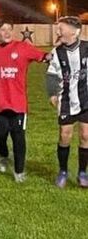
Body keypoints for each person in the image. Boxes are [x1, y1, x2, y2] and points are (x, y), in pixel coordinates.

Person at [0, 18, 50, 182]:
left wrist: (57, 53)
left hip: (18, 103)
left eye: (9, 29)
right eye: (2, 30)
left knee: (18, 136)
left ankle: (19, 172)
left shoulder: (23, 47)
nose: (6, 33)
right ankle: (3, 155)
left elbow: (44, 57)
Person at [46, 16, 88, 188]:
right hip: (66, 101)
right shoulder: (57, 52)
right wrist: (52, 94)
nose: (58, 32)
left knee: (86, 135)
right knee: (65, 136)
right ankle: (63, 171)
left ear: (74, 31)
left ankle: (82, 172)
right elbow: (51, 74)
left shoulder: (87, 48)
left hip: (86, 99)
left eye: (60, 29)